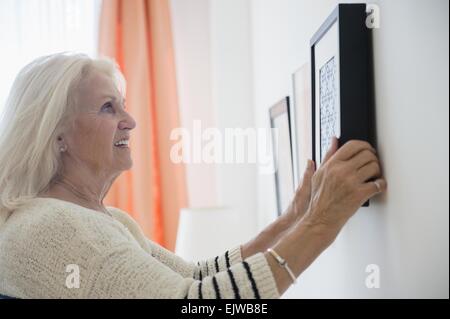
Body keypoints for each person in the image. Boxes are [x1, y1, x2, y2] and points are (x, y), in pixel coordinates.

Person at [0, 53, 386, 299]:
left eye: (123, 106)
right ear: (57, 135)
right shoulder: (58, 228)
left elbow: (196, 276)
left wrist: (292, 221)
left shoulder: (98, 218)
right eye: (107, 108)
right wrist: (321, 222)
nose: (130, 121)